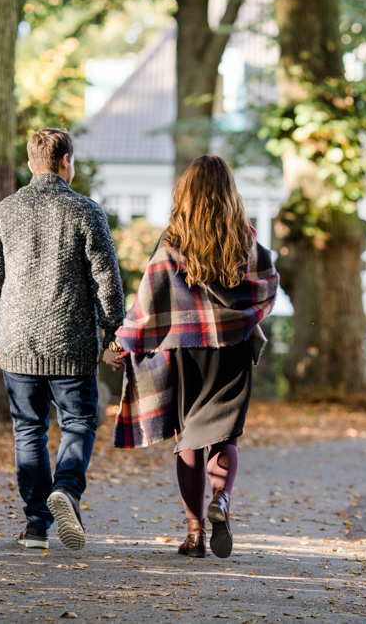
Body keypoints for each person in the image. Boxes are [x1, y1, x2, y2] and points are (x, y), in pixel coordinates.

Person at [110, 155, 279, 559]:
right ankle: (221, 500)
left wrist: (124, 338)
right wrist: (245, 316)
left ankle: (194, 533)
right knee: (224, 434)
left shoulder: (174, 240)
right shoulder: (246, 241)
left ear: (186, 192)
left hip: (186, 352)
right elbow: (267, 284)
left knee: (189, 441)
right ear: (229, 194)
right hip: (233, 348)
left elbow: (149, 298)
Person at [0, 127, 125, 551]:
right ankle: (67, 491)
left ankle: (37, 525)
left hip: (18, 343)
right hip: (72, 343)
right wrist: (114, 331)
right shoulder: (86, 211)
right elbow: (106, 281)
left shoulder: (5, 211)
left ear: (30, 164)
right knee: (78, 423)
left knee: (28, 430)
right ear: (66, 163)